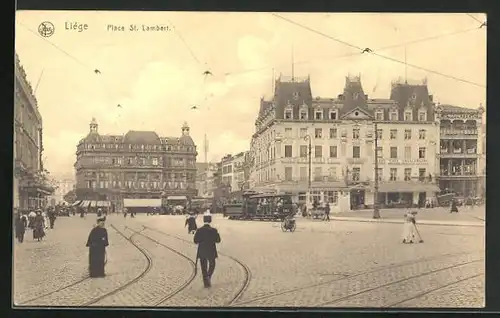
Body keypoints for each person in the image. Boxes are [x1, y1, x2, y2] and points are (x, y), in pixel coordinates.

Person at [193, 213, 221, 288]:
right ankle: (209, 275)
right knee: (212, 264)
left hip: (202, 250)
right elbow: (218, 240)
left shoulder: (199, 230)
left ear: (203, 220)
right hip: (211, 250)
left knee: (203, 267)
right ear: (210, 221)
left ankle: (206, 283)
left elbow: (195, 241)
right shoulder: (214, 230)